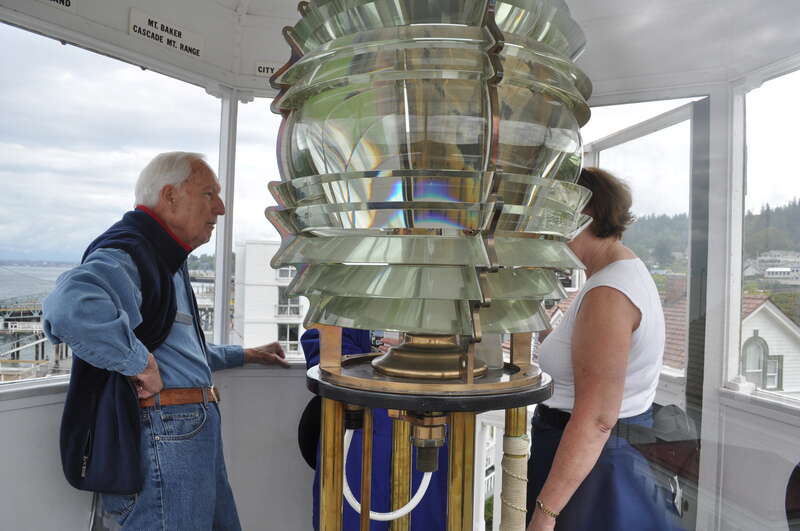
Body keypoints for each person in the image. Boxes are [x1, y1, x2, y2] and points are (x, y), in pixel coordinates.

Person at [43, 152, 290, 530]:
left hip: (184, 432)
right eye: (209, 194)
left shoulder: (164, 258)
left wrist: (245, 354)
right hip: (167, 432)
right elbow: (68, 306)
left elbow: (175, 351)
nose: (220, 209)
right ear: (170, 196)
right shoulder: (130, 250)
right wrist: (138, 363)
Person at [526, 167, 682, 531]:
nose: (546, 231)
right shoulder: (610, 275)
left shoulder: (609, 293)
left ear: (583, 216)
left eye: (553, 217)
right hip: (589, 457)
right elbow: (577, 355)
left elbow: (596, 419)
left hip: (593, 467)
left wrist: (544, 515)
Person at [299, 328, 449, 531]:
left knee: (425, 516)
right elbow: (321, 340)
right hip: (359, 432)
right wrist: (372, 366)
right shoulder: (350, 300)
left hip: (428, 425)